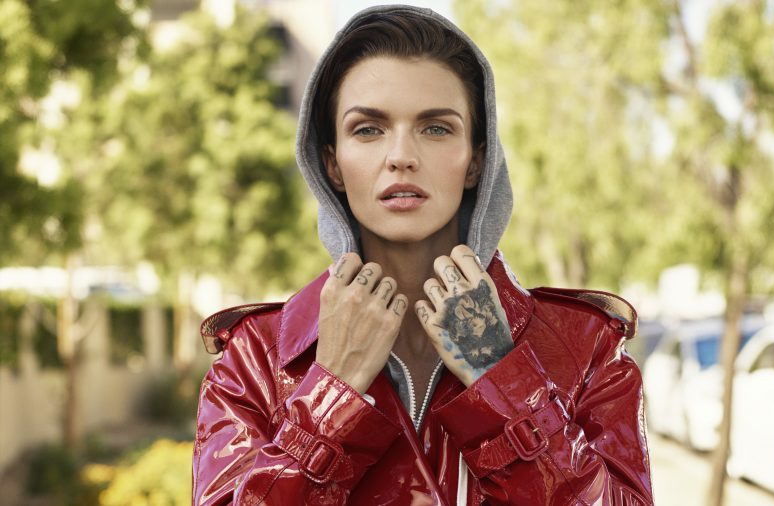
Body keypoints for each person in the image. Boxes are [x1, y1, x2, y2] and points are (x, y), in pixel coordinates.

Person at [193, 5, 653, 505]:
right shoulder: (254, 360)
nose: (401, 156)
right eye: (368, 129)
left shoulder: (585, 347)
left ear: (476, 159)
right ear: (332, 165)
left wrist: (504, 381)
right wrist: (329, 397)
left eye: (436, 128)